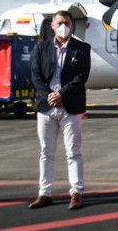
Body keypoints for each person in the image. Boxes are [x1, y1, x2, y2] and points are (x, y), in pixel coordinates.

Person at [29, 11, 91, 210]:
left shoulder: (81, 49)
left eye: (66, 23)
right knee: (46, 151)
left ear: (72, 26)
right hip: (46, 107)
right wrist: (49, 94)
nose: (63, 26)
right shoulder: (41, 48)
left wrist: (61, 94)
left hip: (70, 107)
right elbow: (36, 75)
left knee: (73, 151)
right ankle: (44, 193)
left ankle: (76, 192)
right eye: (59, 23)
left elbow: (81, 76)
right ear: (52, 26)